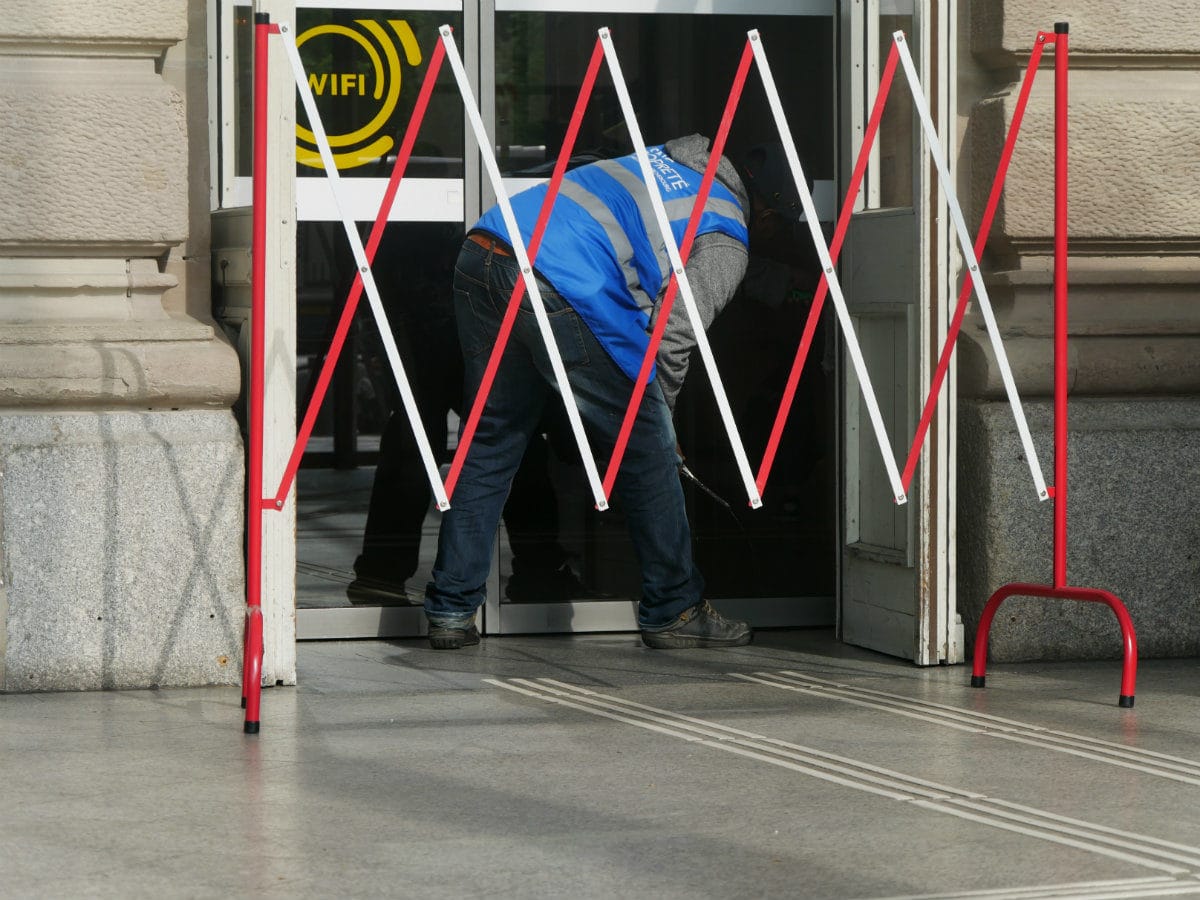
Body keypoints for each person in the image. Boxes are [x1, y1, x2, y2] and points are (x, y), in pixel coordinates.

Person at [424, 134, 764, 650]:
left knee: (491, 439)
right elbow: (674, 332)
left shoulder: (654, 162)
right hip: (557, 276)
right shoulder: (725, 231)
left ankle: (451, 609)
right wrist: (660, 422)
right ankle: (674, 608)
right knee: (646, 450)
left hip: (486, 248)